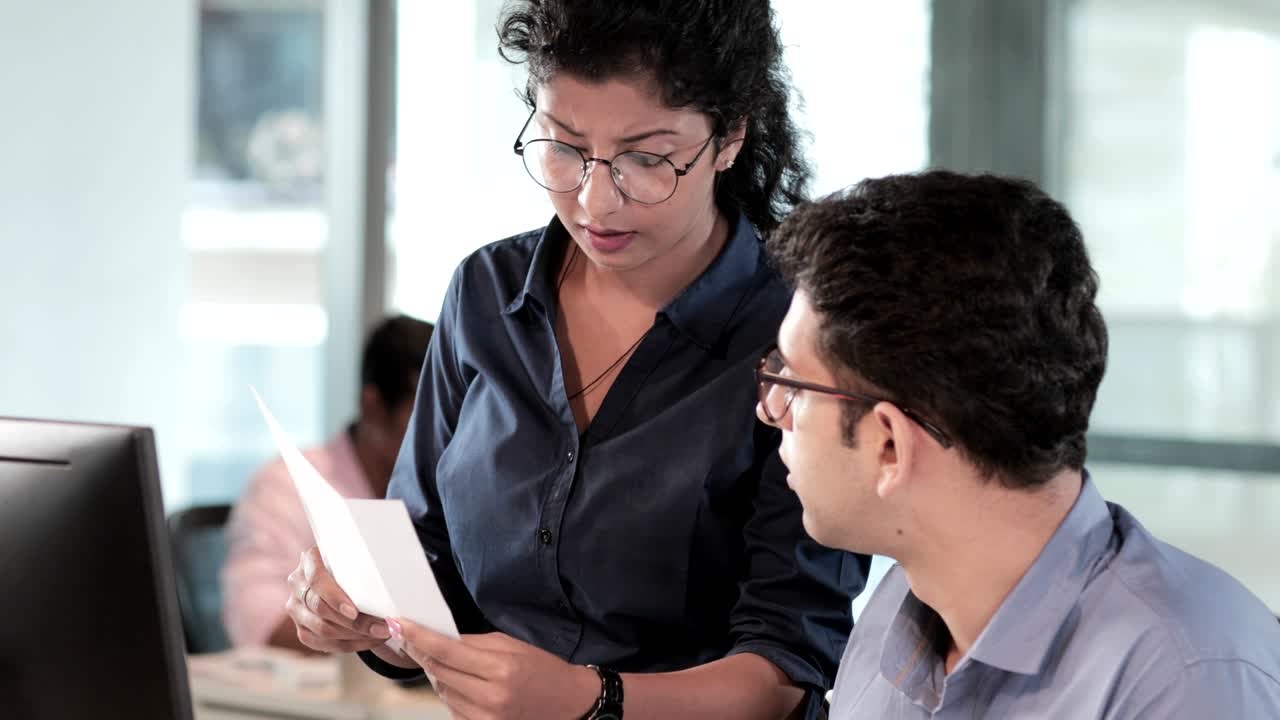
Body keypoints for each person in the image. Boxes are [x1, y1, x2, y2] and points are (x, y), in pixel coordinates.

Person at [283, 1, 870, 718]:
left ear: (730, 137)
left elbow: (787, 668)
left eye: (646, 159)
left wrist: (595, 700)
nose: (595, 201)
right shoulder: (485, 294)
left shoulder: (799, 337)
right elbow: (426, 567)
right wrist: (362, 612)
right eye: (564, 146)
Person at [758, 170, 1280, 718]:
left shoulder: (1188, 683)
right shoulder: (899, 612)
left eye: (793, 385)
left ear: (889, 445)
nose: (769, 411)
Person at [221, 314, 434, 651]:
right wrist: (369, 638)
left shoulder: (450, 489)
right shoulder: (285, 486)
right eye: (425, 419)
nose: (442, 438)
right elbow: (258, 618)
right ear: (374, 406)